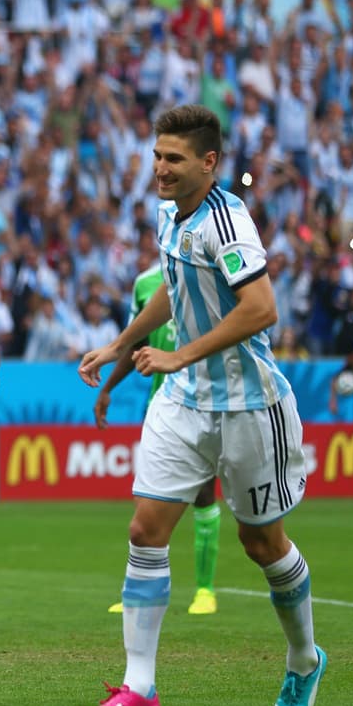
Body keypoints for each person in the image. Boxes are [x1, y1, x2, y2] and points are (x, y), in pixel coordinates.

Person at [77, 106, 324, 706]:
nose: (159, 168)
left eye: (174, 159)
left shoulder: (227, 221)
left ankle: (303, 658)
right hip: (184, 400)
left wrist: (179, 351)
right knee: (145, 529)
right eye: (157, 156)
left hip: (248, 404)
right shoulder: (171, 215)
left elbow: (261, 308)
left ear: (208, 164)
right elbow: (173, 289)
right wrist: (119, 343)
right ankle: (138, 689)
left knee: (261, 543)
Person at [96, 261, 222, 617]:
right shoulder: (145, 283)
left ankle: (205, 590)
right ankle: (138, 589)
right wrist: (108, 388)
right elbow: (138, 341)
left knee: (203, 494)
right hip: (160, 407)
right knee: (146, 501)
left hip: (204, 402)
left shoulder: (207, 270)